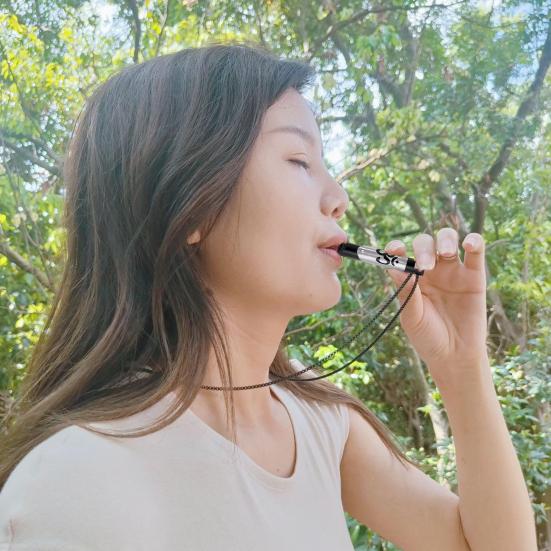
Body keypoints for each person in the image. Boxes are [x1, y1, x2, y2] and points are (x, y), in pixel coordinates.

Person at [0, 42, 536, 551]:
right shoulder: (76, 482)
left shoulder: (318, 420)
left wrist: (462, 365)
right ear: (192, 206)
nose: (339, 198)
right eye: (299, 160)